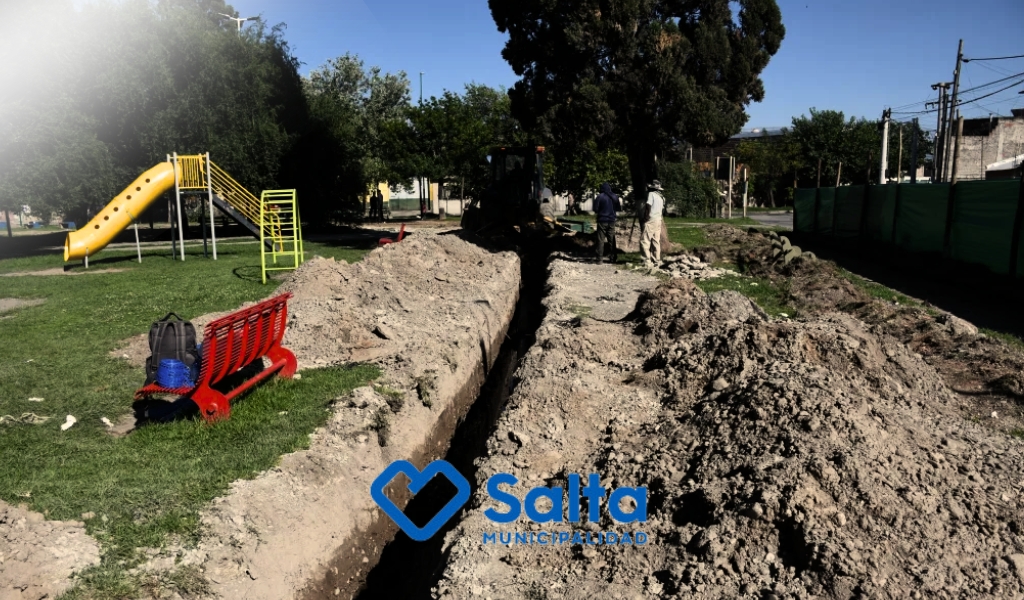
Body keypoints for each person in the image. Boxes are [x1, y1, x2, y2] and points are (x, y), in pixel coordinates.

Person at [640, 179, 665, 269]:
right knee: (656, 241)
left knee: (645, 240)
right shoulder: (662, 197)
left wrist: (646, 218)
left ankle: (647, 261)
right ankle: (657, 260)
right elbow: (662, 209)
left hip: (651, 219)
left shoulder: (651, 194)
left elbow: (648, 206)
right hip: (659, 220)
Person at [593, 182, 620, 263]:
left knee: (600, 240)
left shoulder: (600, 197)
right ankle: (613, 258)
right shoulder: (615, 196)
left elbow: (595, 209)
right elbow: (618, 208)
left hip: (602, 220)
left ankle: (599, 259)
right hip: (611, 220)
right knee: (612, 240)